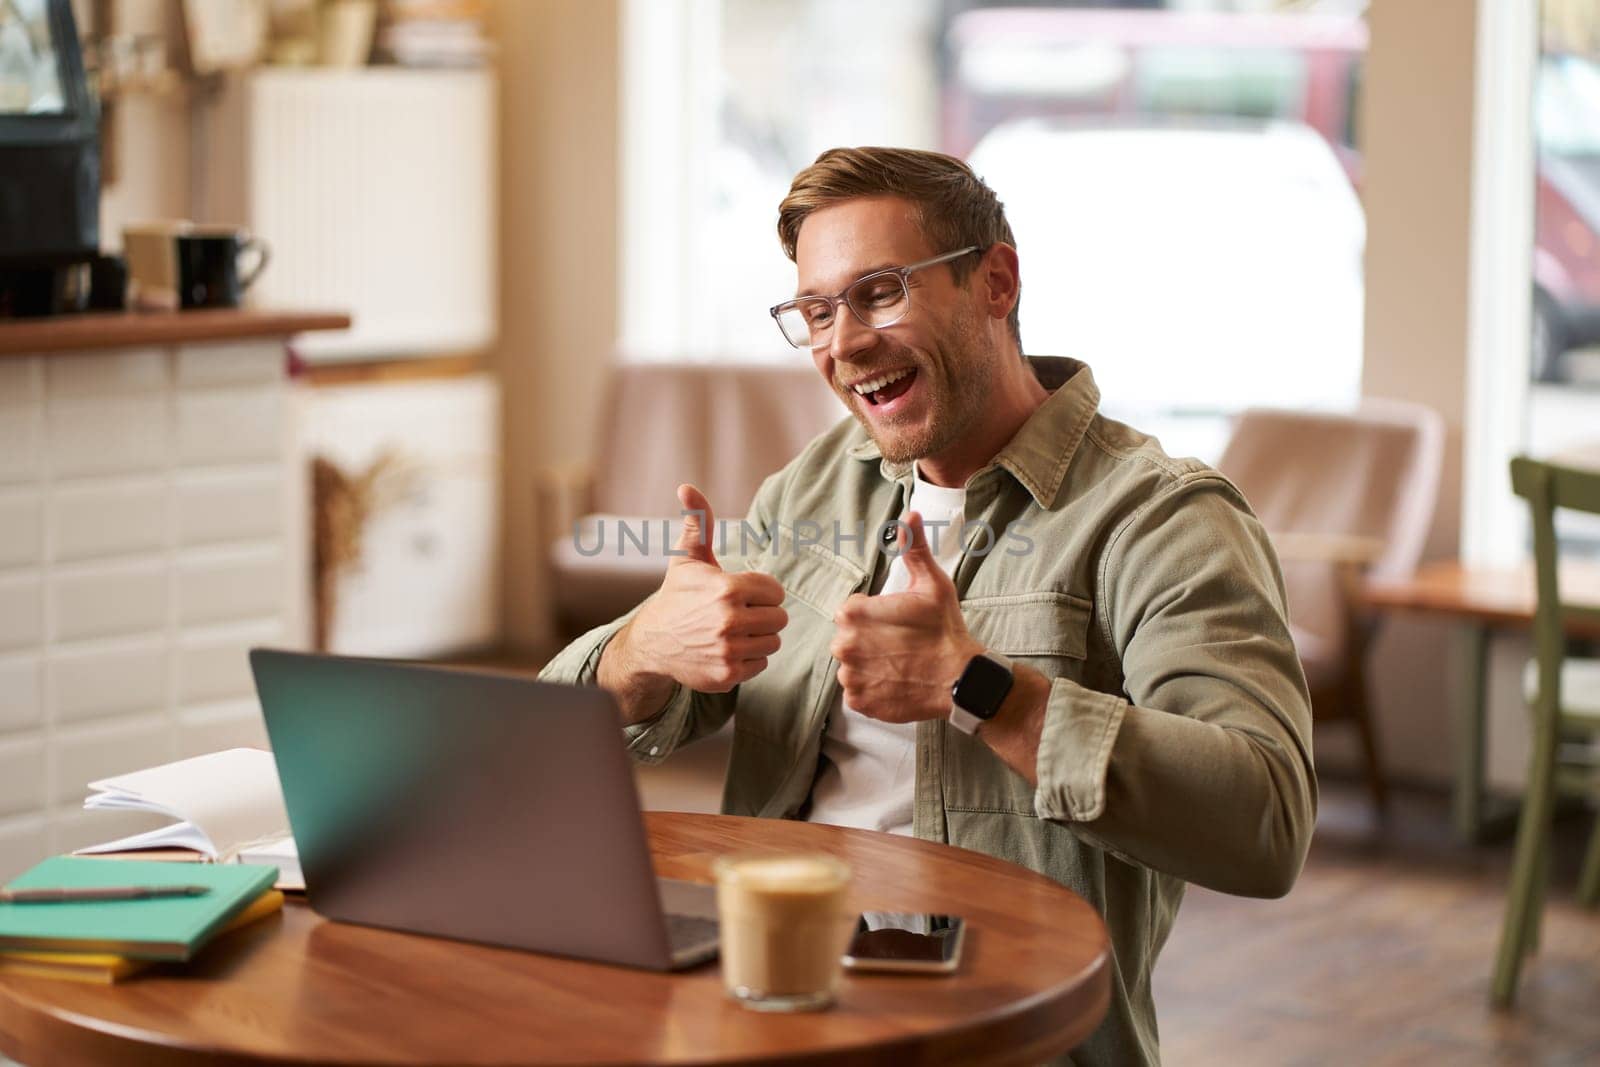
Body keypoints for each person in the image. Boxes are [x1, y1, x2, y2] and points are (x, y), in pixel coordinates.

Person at [540, 146, 1316, 1065]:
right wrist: (640, 649)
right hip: (765, 994)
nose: (844, 343)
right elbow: (551, 737)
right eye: (818, 312)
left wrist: (985, 689)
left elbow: (1266, 823)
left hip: (995, 1029)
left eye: (879, 293)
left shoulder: (1160, 516)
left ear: (997, 280)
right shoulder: (816, 487)